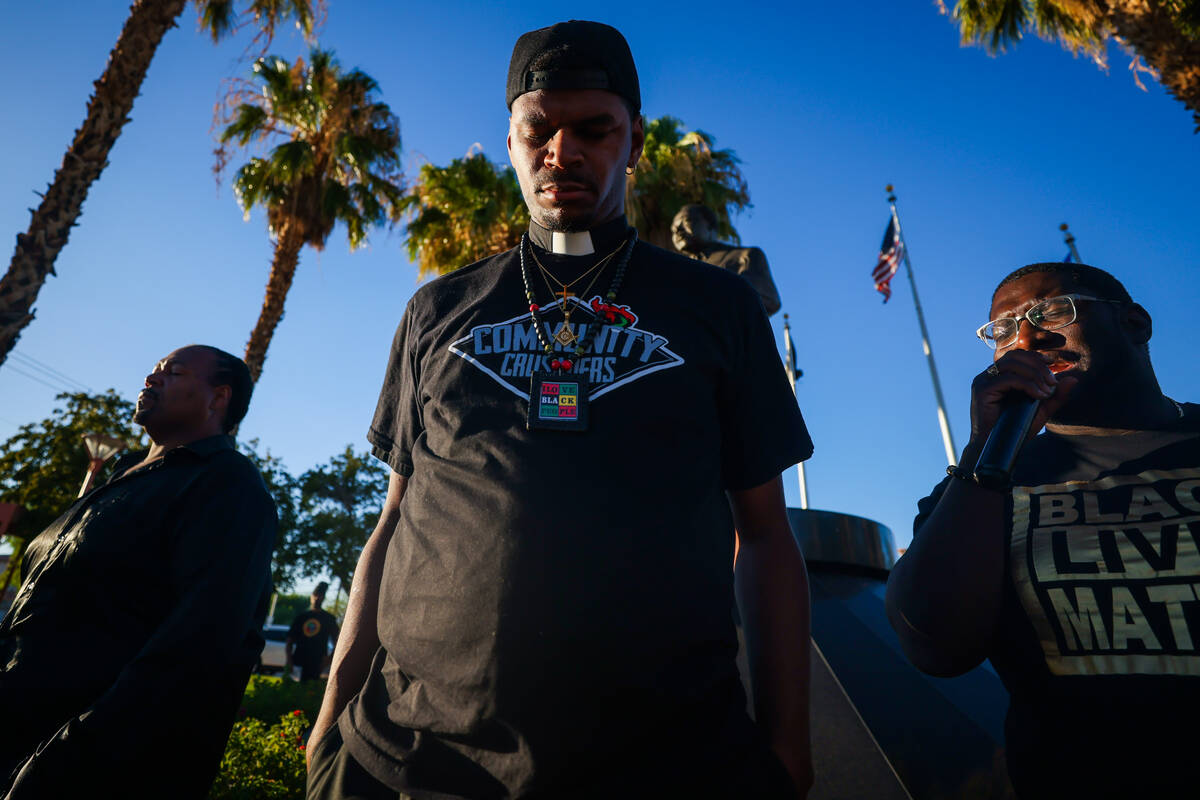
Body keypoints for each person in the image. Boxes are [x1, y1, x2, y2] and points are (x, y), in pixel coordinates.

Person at [307, 20, 814, 800]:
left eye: (593, 129)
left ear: (635, 141)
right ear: (510, 139)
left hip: (671, 764)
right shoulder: (436, 309)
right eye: (538, 128)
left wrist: (787, 743)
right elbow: (395, 520)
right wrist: (334, 707)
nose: (562, 151)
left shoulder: (717, 306)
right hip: (406, 760)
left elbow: (767, 534)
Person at [885, 263, 1199, 798]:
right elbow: (935, 649)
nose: (1026, 338)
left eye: (1051, 311)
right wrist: (984, 457)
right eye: (1002, 331)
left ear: (1135, 323)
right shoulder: (978, 484)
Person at [0, 345, 277, 799]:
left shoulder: (228, 488)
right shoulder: (122, 475)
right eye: (152, 370)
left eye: (173, 372)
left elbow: (197, 649)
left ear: (218, 398)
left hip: (77, 767)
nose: (151, 379)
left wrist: (67, 757)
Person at [671, 203, 782, 316]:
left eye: (686, 221)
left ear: (709, 225)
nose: (678, 231)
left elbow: (770, 299)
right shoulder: (678, 272)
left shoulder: (744, 256)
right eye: (673, 229)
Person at [287, 581, 340, 681]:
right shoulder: (301, 617)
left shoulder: (329, 619)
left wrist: (328, 660)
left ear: (323, 597)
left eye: (319, 595)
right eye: (315, 595)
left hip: (317, 663)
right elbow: (289, 640)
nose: (316, 598)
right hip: (299, 661)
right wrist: (289, 660)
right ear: (311, 596)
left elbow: (337, 642)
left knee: (310, 691)